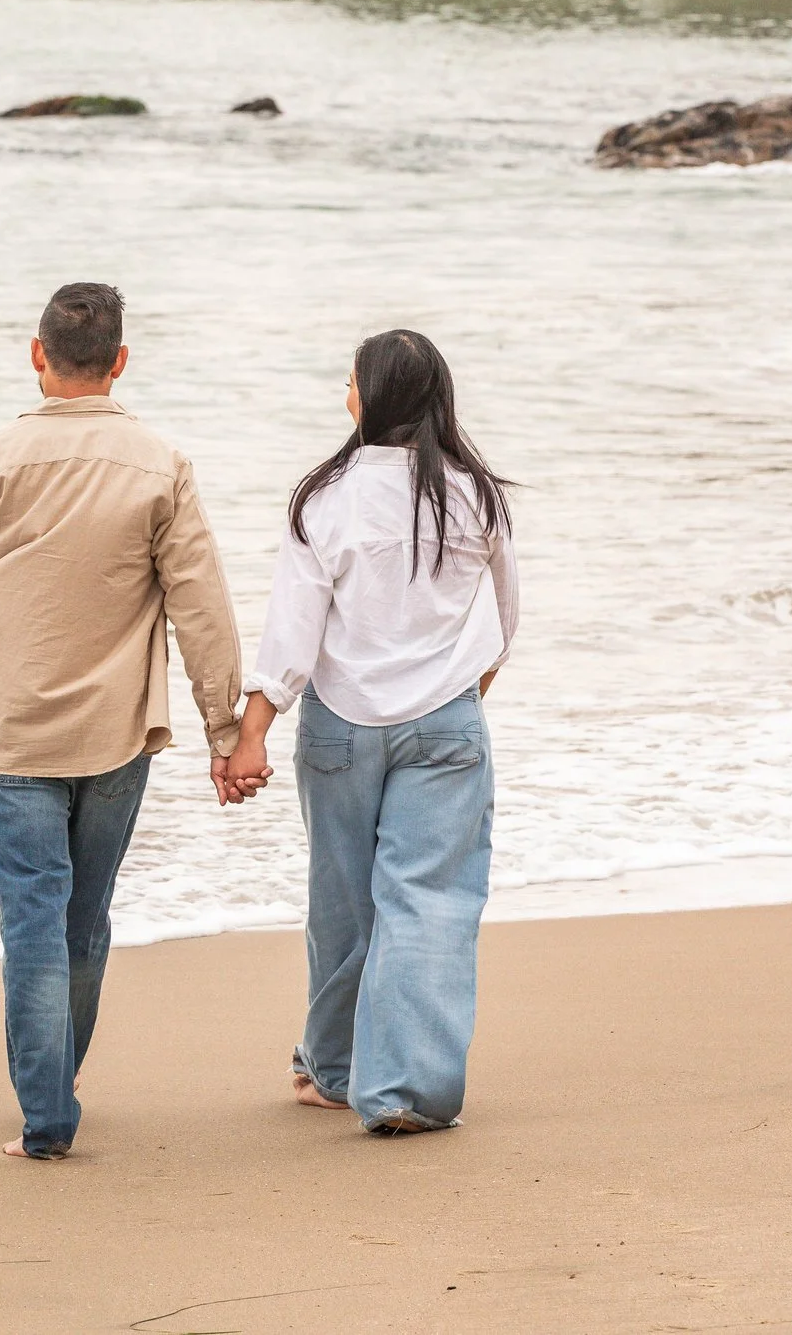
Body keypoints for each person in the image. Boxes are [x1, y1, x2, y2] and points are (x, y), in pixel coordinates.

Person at [0, 283, 256, 1161]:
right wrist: (222, 724)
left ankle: (46, 1114)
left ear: (36, 355)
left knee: (30, 915)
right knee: (84, 916)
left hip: (10, 727)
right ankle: (60, 1077)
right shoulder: (162, 464)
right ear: (121, 360)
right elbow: (201, 603)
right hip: (116, 727)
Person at [223, 327, 517, 1135]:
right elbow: (506, 619)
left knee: (343, 905)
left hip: (340, 729)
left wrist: (250, 735)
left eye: (350, 381)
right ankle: (405, 1092)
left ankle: (338, 1071)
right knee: (429, 903)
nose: (343, 394)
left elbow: (291, 637)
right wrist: (461, 694)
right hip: (447, 725)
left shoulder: (325, 497)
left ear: (375, 395)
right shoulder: (476, 493)